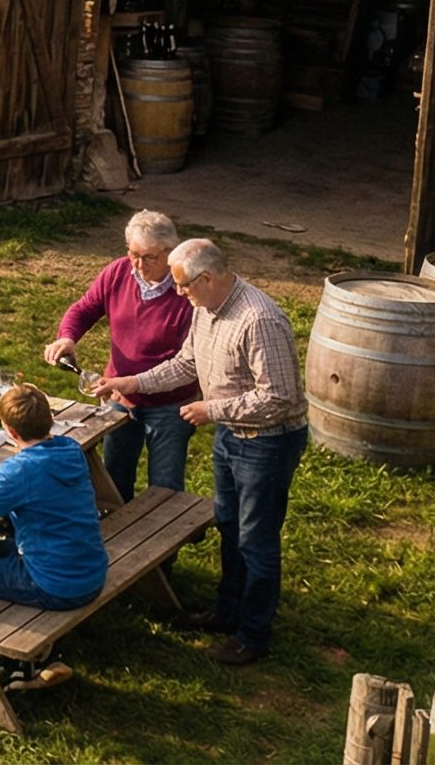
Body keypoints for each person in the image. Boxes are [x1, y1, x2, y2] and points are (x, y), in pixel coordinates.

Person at [91, 238, 306, 665]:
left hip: (266, 442)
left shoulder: (259, 319)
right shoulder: (205, 309)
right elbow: (186, 362)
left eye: (184, 286)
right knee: (230, 525)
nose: (179, 294)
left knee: (257, 540)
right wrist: (132, 383)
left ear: (207, 277)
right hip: (231, 435)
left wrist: (213, 408)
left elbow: (280, 397)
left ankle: (254, 636)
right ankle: (228, 613)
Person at [0, 383, 107, 692]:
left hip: (52, 583)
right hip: (90, 570)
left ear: (10, 431)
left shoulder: (20, 472)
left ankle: (17, 657)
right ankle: (27, 650)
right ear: (49, 420)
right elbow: (34, 479)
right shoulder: (70, 450)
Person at [44, 209, 200, 499]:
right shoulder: (117, 272)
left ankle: (164, 539)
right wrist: (67, 338)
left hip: (170, 405)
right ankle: (117, 540)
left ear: (170, 252)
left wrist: (133, 382)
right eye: (133, 254)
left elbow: (186, 366)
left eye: (149, 257)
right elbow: (84, 308)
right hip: (120, 398)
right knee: (113, 481)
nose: (139, 265)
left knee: (165, 489)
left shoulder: (187, 295)